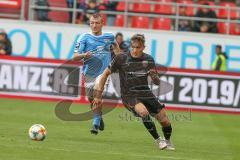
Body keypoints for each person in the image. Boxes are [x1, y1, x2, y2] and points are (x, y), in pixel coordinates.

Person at [92, 34, 174, 150]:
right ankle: (158, 140)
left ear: (143, 47)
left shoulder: (149, 59)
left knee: (165, 121)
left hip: (146, 93)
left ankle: (168, 141)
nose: (135, 50)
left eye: (138, 47)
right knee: (143, 112)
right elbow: (105, 74)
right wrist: (98, 95)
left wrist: (154, 77)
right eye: (133, 47)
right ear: (130, 46)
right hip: (129, 95)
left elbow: (157, 82)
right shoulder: (121, 58)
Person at [73, 13, 119, 135]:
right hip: (89, 73)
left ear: (102, 23)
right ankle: (99, 115)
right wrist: (84, 55)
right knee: (91, 99)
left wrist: (119, 58)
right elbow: (75, 57)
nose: (94, 25)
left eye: (97, 23)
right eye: (92, 23)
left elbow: (116, 48)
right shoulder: (84, 37)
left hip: (103, 72)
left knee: (98, 94)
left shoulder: (109, 37)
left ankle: (95, 123)